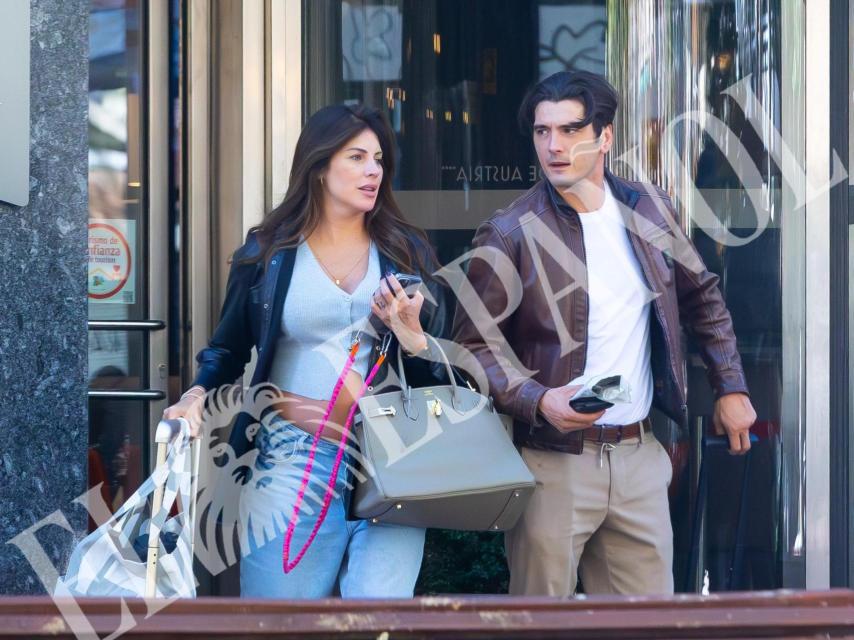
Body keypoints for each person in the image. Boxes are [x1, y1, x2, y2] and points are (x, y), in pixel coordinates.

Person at [452, 71, 757, 596]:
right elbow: (473, 348)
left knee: (648, 628)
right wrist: (538, 400)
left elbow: (702, 296)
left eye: (570, 130)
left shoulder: (649, 208)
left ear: (605, 136)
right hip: (553, 460)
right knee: (540, 629)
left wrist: (730, 386)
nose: (555, 145)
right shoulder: (510, 231)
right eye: (543, 132)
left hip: (638, 454)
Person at [162, 104, 451, 598]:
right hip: (293, 459)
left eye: (378, 159)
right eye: (356, 157)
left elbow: (440, 359)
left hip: (392, 457)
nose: (373, 171)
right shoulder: (269, 252)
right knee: (282, 621)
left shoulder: (406, 250)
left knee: (377, 621)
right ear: (319, 167)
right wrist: (194, 396)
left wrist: (410, 331)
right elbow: (228, 349)